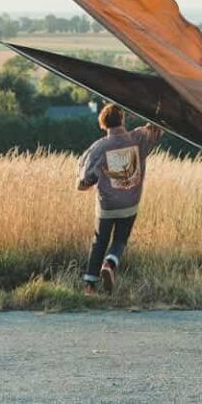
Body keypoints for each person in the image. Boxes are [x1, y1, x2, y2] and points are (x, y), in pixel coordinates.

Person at [77, 104, 162, 293]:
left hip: (106, 205)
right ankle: (109, 264)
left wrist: (85, 182)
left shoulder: (99, 147)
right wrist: (153, 106)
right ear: (122, 120)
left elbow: (84, 180)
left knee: (100, 241)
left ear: (103, 123)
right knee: (120, 240)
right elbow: (156, 128)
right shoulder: (138, 138)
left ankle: (90, 285)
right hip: (130, 204)